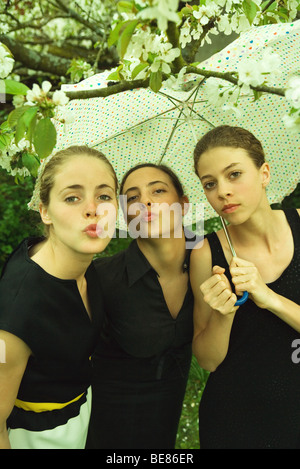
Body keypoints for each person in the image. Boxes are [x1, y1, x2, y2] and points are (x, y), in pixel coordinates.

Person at [0, 145, 118, 449]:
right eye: (72, 197)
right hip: (35, 436)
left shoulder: (83, 260)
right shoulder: (18, 312)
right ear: (44, 211)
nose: (93, 209)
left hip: (79, 413)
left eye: (104, 196)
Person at [190, 125, 300, 449]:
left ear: (264, 173)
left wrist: (269, 298)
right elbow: (208, 360)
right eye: (209, 184)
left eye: (234, 174)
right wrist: (224, 313)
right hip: (236, 422)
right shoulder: (205, 255)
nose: (222, 191)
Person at [86, 163, 196, 449]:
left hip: (164, 434)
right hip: (106, 433)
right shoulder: (101, 278)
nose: (145, 201)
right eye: (132, 198)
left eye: (158, 190)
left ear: (183, 206)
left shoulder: (212, 263)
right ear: (125, 215)